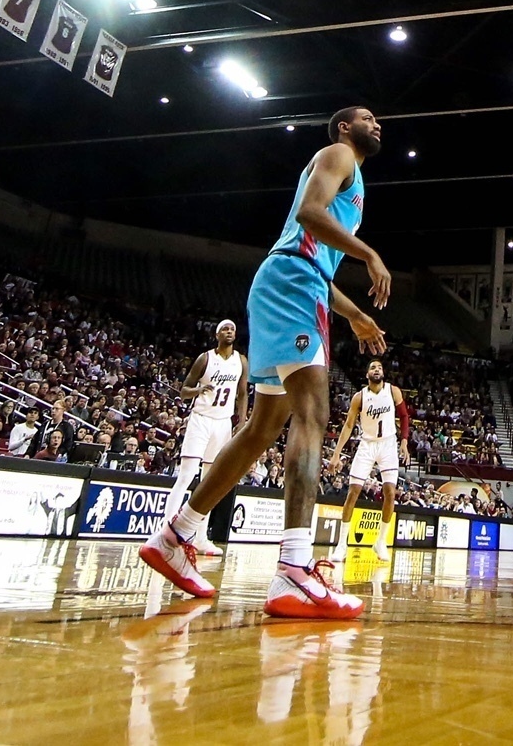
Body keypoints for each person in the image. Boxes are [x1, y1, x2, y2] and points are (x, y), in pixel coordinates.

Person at [139, 106, 391, 620]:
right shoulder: (339, 154)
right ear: (344, 126)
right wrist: (369, 255)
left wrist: (357, 316)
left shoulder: (353, 175)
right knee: (312, 415)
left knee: (262, 427)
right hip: (293, 284)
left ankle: (176, 535)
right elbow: (308, 215)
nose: (377, 123)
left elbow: (315, 262)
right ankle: (294, 569)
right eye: (367, 117)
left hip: (300, 284)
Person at [165, 320, 247, 558]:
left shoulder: (240, 361)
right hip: (200, 419)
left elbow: (243, 395)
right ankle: (166, 528)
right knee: (187, 475)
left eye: (232, 328)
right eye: (225, 329)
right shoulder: (205, 358)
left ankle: (201, 537)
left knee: (209, 482)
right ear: (217, 334)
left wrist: (241, 424)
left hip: (222, 423)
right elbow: (183, 390)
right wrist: (197, 391)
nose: (229, 331)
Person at [329, 360, 408, 562]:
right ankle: (341, 544)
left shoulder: (393, 391)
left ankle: (380, 541)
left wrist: (405, 442)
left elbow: (404, 416)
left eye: (380, 367)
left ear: (383, 373)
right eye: (372, 367)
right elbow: (348, 426)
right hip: (367, 444)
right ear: (367, 374)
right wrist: (337, 453)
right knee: (353, 491)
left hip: (388, 444)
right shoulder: (359, 397)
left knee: (390, 492)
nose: (376, 369)